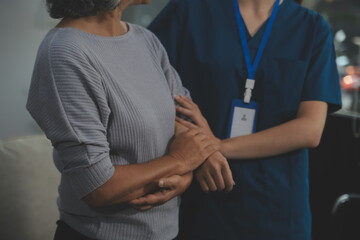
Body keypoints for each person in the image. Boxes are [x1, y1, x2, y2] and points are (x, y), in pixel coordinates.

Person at [26, 0, 220, 239]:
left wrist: (184, 175)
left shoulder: (145, 39)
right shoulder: (65, 52)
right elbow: (98, 187)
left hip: (166, 232)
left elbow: (185, 119)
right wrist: (179, 161)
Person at [149, 0, 343, 239]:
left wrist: (215, 146)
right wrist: (196, 145)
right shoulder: (189, 11)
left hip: (276, 206)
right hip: (195, 195)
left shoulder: (312, 28)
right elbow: (148, 93)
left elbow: (310, 129)